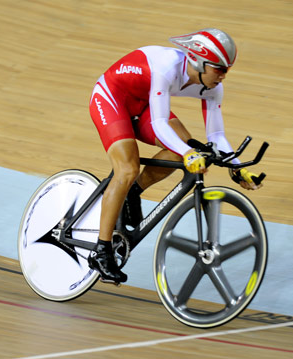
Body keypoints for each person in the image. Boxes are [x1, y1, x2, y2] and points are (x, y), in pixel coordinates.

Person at [88, 28, 261, 283]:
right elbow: (159, 124)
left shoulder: (214, 88)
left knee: (188, 148)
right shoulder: (166, 67)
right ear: (200, 62)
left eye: (227, 70)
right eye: (219, 69)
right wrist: (189, 153)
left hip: (142, 102)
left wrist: (237, 167)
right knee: (127, 169)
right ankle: (101, 251)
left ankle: (133, 192)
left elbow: (217, 136)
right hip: (111, 98)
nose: (223, 76)